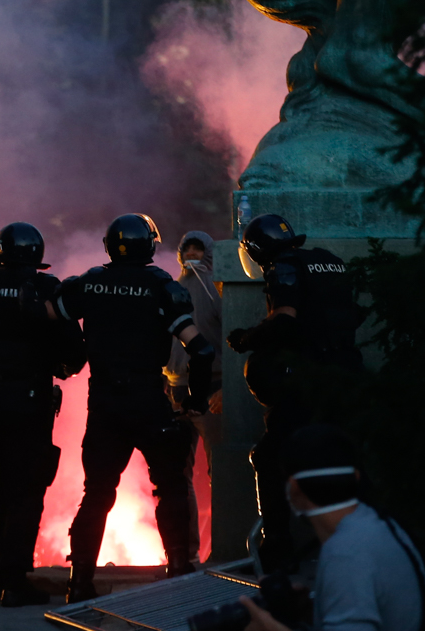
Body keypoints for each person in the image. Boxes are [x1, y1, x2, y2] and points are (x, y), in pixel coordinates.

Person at [54, 213, 216, 603]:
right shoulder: (161, 286)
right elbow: (201, 349)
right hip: (149, 402)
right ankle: (179, 570)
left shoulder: (89, 283)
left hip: (104, 404)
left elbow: (51, 312)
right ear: (150, 246)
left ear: (109, 246)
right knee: (171, 486)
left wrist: (73, 355)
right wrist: (194, 402)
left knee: (96, 493)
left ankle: (79, 583)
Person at [0, 222, 86, 607]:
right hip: (29, 403)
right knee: (27, 490)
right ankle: (15, 580)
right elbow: (74, 354)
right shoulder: (46, 288)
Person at [229, 214, 363, 572]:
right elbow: (353, 315)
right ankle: (356, 544)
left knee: (269, 456)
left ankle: (277, 552)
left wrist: (247, 338)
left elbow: (285, 317)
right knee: (345, 455)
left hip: (307, 380)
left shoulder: (283, 266)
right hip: (348, 375)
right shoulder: (329, 261)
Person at [239, 425, 423, 631]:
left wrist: (269, 627)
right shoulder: (379, 524)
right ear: (356, 477)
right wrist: (311, 609)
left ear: (293, 488)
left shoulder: (345, 553)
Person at [163, 231, 224, 560]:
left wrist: (228, 388)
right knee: (175, 474)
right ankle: (184, 554)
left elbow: (232, 340)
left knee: (221, 471)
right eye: (186, 250)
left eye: (198, 250)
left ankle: (225, 548)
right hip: (175, 389)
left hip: (213, 389)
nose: (191, 255)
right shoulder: (172, 290)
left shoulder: (219, 290)